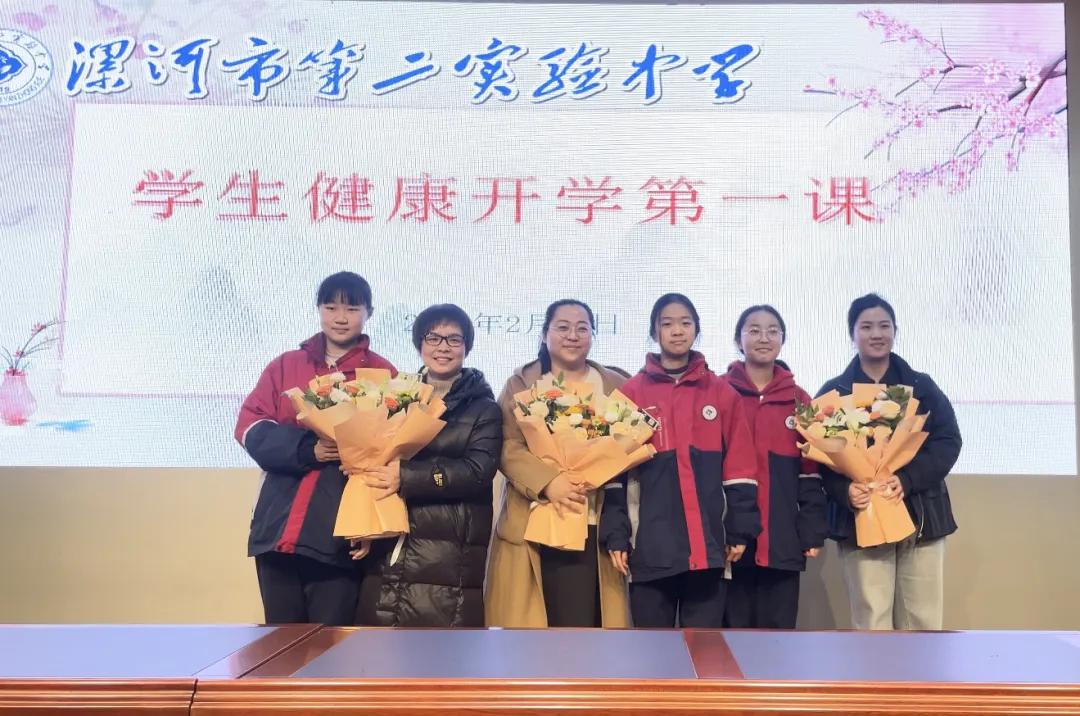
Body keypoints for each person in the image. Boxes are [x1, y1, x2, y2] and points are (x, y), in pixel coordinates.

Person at [234, 272, 395, 624]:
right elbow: (249, 426)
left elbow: (391, 453)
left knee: (332, 644)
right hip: (278, 529)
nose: (341, 317)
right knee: (279, 642)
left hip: (338, 534)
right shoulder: (286, 365)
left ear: (369, 313)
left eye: (352, 308)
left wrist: (370, 526)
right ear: (318, 309)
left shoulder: (383, 375)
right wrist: (309, 450)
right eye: (331, 307)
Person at [600, 293, 759, 628]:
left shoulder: (721, 393)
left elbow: (740, 468)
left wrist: (740, 528)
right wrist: (616, 534)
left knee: (702, 652)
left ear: (696, 330)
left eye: (685, 323)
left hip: (709, 551)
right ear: (654, 331)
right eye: (667, 323)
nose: (677, 330)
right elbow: (614, 474)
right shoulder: (631, 395)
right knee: (651, 654)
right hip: (649, 552)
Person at [819, 293, 962, 630]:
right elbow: (822, 460)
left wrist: (907, 480)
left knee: (923, 621)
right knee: (872, 620)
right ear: (852, 334)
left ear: (895, 331)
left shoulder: (921, 386)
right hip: (862, 517)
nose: (876, 334)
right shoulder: (836, 392)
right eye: (866, 327)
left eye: (884, 326)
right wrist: (845, 491)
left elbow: (947, 441)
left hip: (920, 517)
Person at [354, 304, 502, 626]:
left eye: (453, 339)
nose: (442, 347)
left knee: (442, 648)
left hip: (449, 550)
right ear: (420, 344)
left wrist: (407, 477)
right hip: (391, 535)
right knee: (381, 646)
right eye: (433, 338)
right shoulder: (395, 397)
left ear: (466, 346)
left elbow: (478, 472)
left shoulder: (484, 408)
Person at [485, 299, 631, 627]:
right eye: (562, 327)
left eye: (582, 328)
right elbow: (507, 446)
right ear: (544, 333)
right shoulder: (522, 383)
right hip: (533, 521)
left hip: (595, 522)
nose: (572, 336)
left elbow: (629, 445)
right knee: (532, 634)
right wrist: (549, 482)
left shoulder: (615, 385)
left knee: (589, 629)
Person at [721, 305, 828, 629]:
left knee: (778, 638)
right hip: (729, 537)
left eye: (772, 331)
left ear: (783, 339)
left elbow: (810, 471)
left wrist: (811, 529)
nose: (763, 338)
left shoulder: (800, 401)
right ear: (738, 340)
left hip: (781, 538)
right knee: (731, 637)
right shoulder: (720, 392)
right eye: (753, 330)